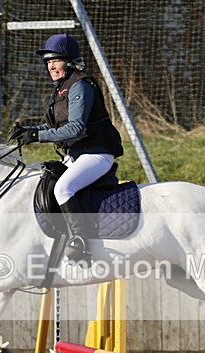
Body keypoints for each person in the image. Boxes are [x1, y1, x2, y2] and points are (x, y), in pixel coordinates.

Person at [10, 33, 124, 265]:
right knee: (45, 181)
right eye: (48, 61)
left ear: (70, 62)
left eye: (56, 60)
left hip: (96, 153)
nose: (51, 65)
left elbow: (75, 128)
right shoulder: (61, 89)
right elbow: (54, 126)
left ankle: (81, 242)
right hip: (77, 155)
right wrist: (29, 131)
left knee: (63, 188)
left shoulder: (80, 85)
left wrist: (37, 136)